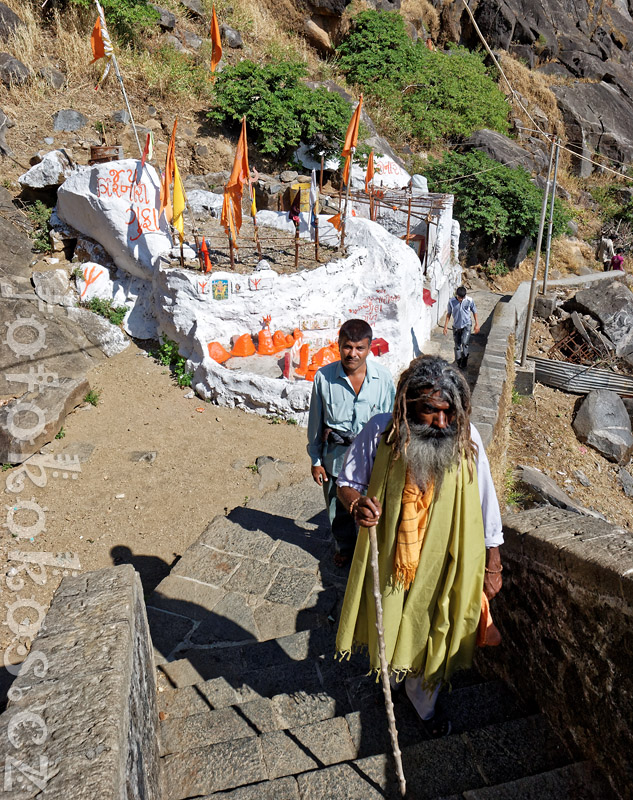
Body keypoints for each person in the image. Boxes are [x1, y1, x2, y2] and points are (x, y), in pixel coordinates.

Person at [335, 355, 503, 736]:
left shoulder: (466, 438)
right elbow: (347, 482)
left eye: (449, 413)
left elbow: (486, 502)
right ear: (408, 405)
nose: (442, 424)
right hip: (393, 560)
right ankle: (390, 683)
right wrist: (356, 504)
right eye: (431, 411)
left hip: (444, 564)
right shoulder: (382, 433)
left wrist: (494, 562)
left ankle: (423, 705)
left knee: (432, 632)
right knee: (390, 623)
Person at [307, 319, 396, 567]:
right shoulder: (324, 379)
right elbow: (316, 422)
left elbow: (391, 422)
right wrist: (316, 461)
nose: (353, 354)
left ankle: (369, 550)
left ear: (369, 348)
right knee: (337, 510)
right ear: (338, 345)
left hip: (371, 461)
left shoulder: (384, 379)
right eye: (347, 347)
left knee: (370, 509)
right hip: (334, 459)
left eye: (360, 348)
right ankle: (344, 547)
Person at [442, 286, 479, 370]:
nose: (460, 300)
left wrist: (477, 323)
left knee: (465, 343)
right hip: (456, 326)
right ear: (456, 295)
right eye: (459, 298)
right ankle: (458, 363)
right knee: (457, 345)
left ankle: (465, 361)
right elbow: (449, 314)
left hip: (467, 324)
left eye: (462, 298)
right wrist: (445, 326)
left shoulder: (469, 301)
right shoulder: (451, 301)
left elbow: (474, 311)